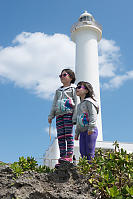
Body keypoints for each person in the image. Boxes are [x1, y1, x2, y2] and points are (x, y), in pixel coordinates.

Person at [48, 69, 78, 165]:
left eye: (64, 75)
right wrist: (51, 115)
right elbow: (54, 104)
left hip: (68, 114)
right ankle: (62, 157)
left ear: (71, 77)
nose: (62, 77)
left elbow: (77, 103)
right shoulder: (58, 91)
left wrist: (75, 117)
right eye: (60, 75)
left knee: (68, 135)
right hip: (59, 115)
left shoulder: (73, 89)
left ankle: (69, 156)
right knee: (60, 136)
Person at [75, 81, 99, 162]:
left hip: (90, 130)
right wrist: (77, 133)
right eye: (76, 87)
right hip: (82, 132)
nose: (76, 89)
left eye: (79, 87)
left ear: (86, 90)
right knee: (82, 152)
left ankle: (91, 171)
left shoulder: (90, 102)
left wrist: (91, 128)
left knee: (90, 152)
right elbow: (78, 120)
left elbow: (93, 115)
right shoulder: (79, 106)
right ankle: (85, 171)